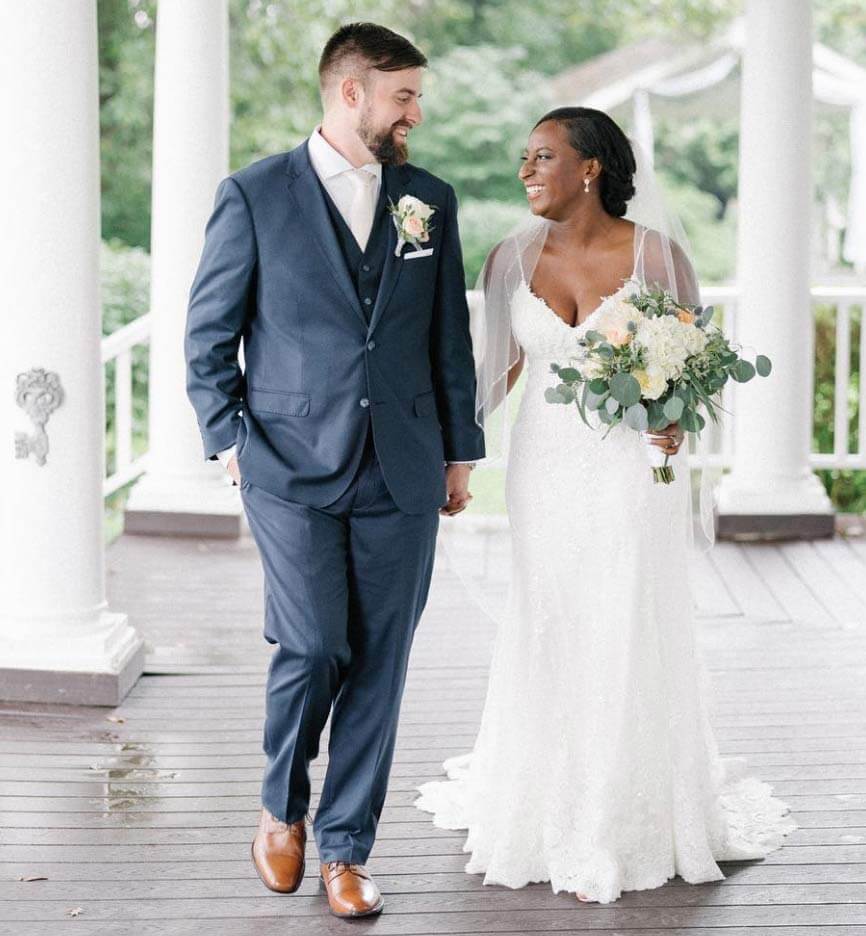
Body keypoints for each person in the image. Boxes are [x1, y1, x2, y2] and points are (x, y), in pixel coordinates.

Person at [414, 107, 797, 904]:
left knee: (623, 616)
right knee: (550, 617)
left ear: (589, 169)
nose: (526, 170)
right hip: (544, 468)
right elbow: (496, 374)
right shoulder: (509, 259)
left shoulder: (657, 257)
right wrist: (448, 455)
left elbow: (696, 368)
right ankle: (547, 800)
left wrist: (673, 424)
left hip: (630, 472)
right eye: (524, 156)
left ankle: (627, 809)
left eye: (543, 156)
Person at [184, 22, 484, 919]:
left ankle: (346, 850)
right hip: (285, 462)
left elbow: (448, 338)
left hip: (404, 461)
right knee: (314, 642)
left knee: (381, 662)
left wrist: (459, 450)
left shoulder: (427, 197)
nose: (416, 114)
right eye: (404, 96)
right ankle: (282, 808)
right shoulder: (254, 194)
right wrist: (230, 441)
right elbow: (208, 336)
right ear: (352, 93)